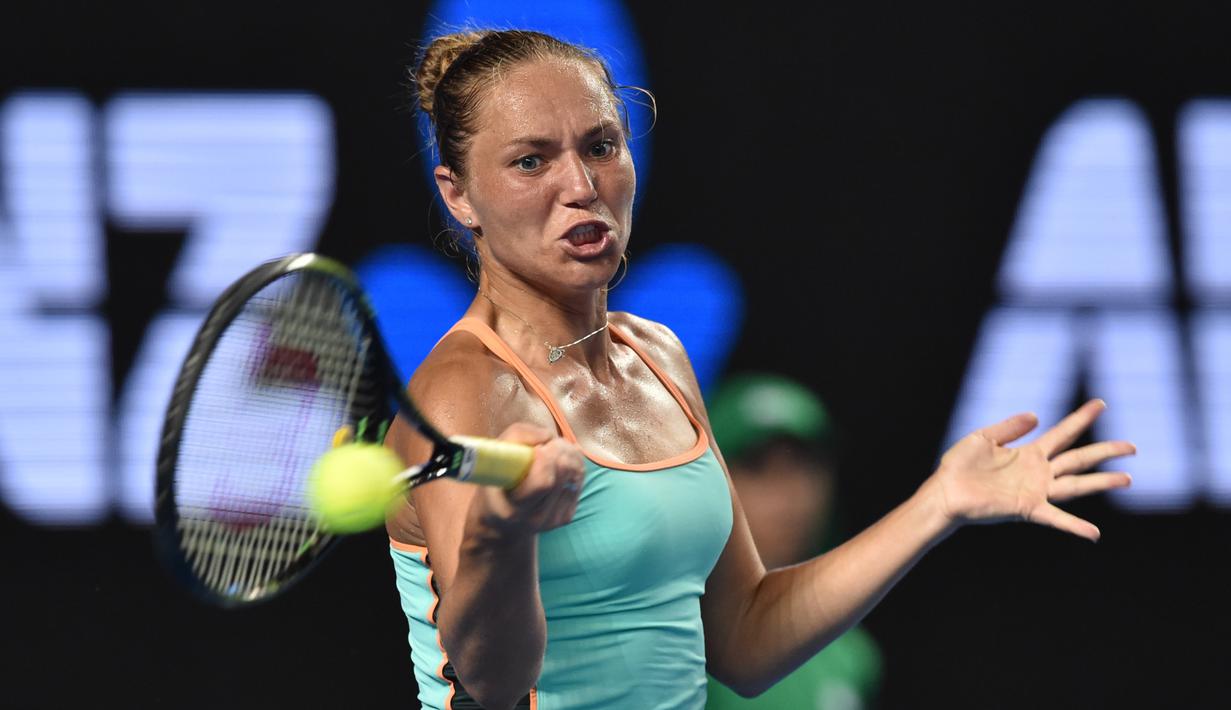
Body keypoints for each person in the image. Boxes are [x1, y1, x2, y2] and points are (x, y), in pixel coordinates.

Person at [383, 28, 1134, 710]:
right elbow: (489, 681)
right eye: (529, 161)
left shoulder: (658, 356)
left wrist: (937, 506)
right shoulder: (463, 391)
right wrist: (501, 536)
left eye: (601, 146)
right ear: (458, 195)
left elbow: (742, 640)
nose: (580, 185)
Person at [703, 373, 881, 710]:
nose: (789, 493)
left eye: (806, 465)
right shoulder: (670, 626)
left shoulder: (850, 653)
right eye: (758, 466)